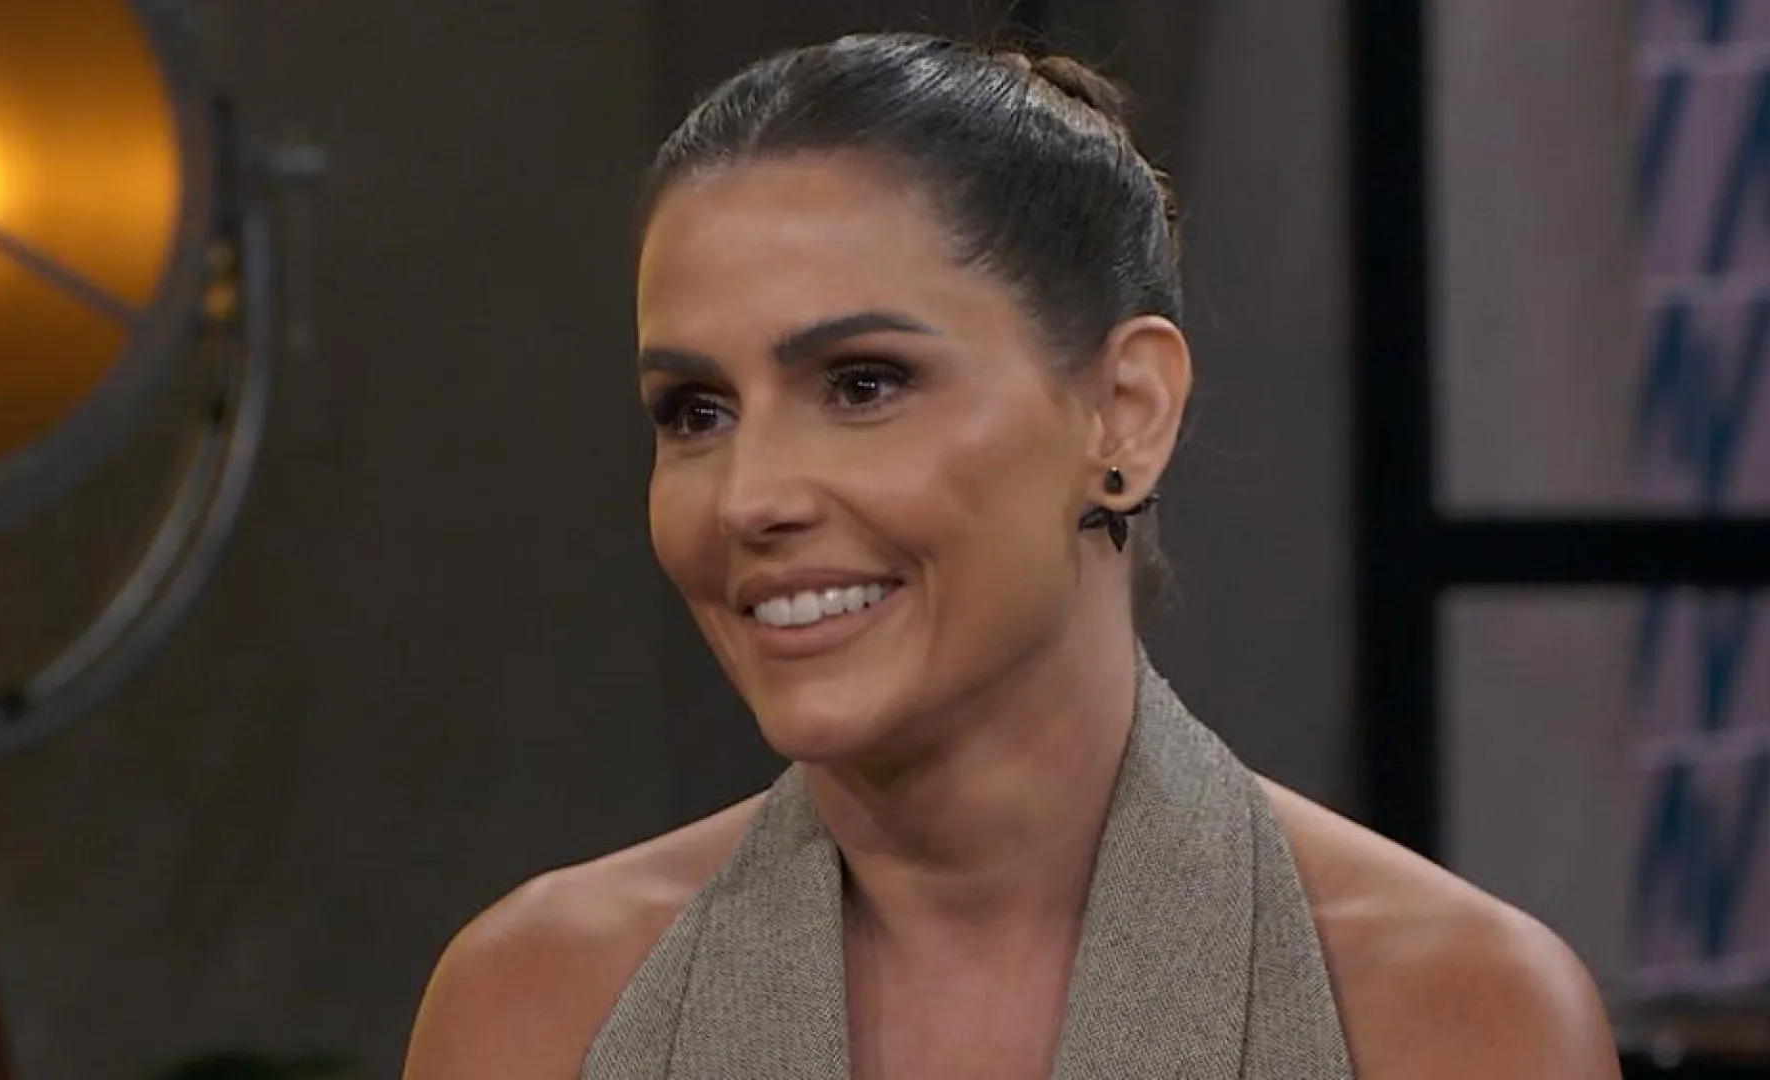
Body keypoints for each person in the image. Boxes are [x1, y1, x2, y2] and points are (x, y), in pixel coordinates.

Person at [403, 32, 1621, 1079]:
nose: (749, 499)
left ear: (1125, 413)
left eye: (863, 384)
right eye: (695, 412)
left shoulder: (1454, 1015)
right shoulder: (542, 1007)